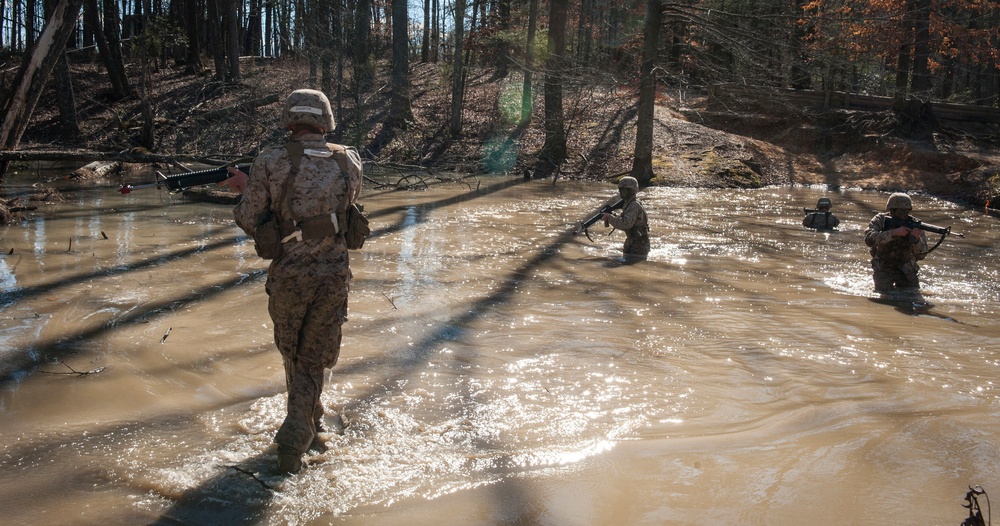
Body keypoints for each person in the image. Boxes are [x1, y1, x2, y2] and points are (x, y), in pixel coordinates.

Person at [226, 89, 363, 474]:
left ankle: (294, 433)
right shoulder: (349, 159)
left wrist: (245, 187)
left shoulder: (270, 160)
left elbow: (250, 218)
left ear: (289, 120)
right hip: (334, 274)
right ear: (326, 121)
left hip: (289, 276)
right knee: (315, 355)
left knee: (294, 354)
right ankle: (311, 417)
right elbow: (343, 201)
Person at [863, 192, 929, 293]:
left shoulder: (915, 224)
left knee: (912, 295)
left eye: (907, 211)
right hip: (883, 265)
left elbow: (922, 255)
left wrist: (916, 240)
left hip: (907, 267)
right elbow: (869, 239)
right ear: (892, 210)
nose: (904, 214)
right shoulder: (881, 220)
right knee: (883, 295)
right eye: (901, 211)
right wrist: (893, 233)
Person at [600, 176, 649, 261]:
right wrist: (612, 215)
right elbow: (625, 220)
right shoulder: (629, 204)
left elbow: (625, 224)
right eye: (620, 190)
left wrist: (609, 217)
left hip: (638, 246)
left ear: (631, 191)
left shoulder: (634, 205)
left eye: (624, 190)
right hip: (632, 243)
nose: (621, 192)